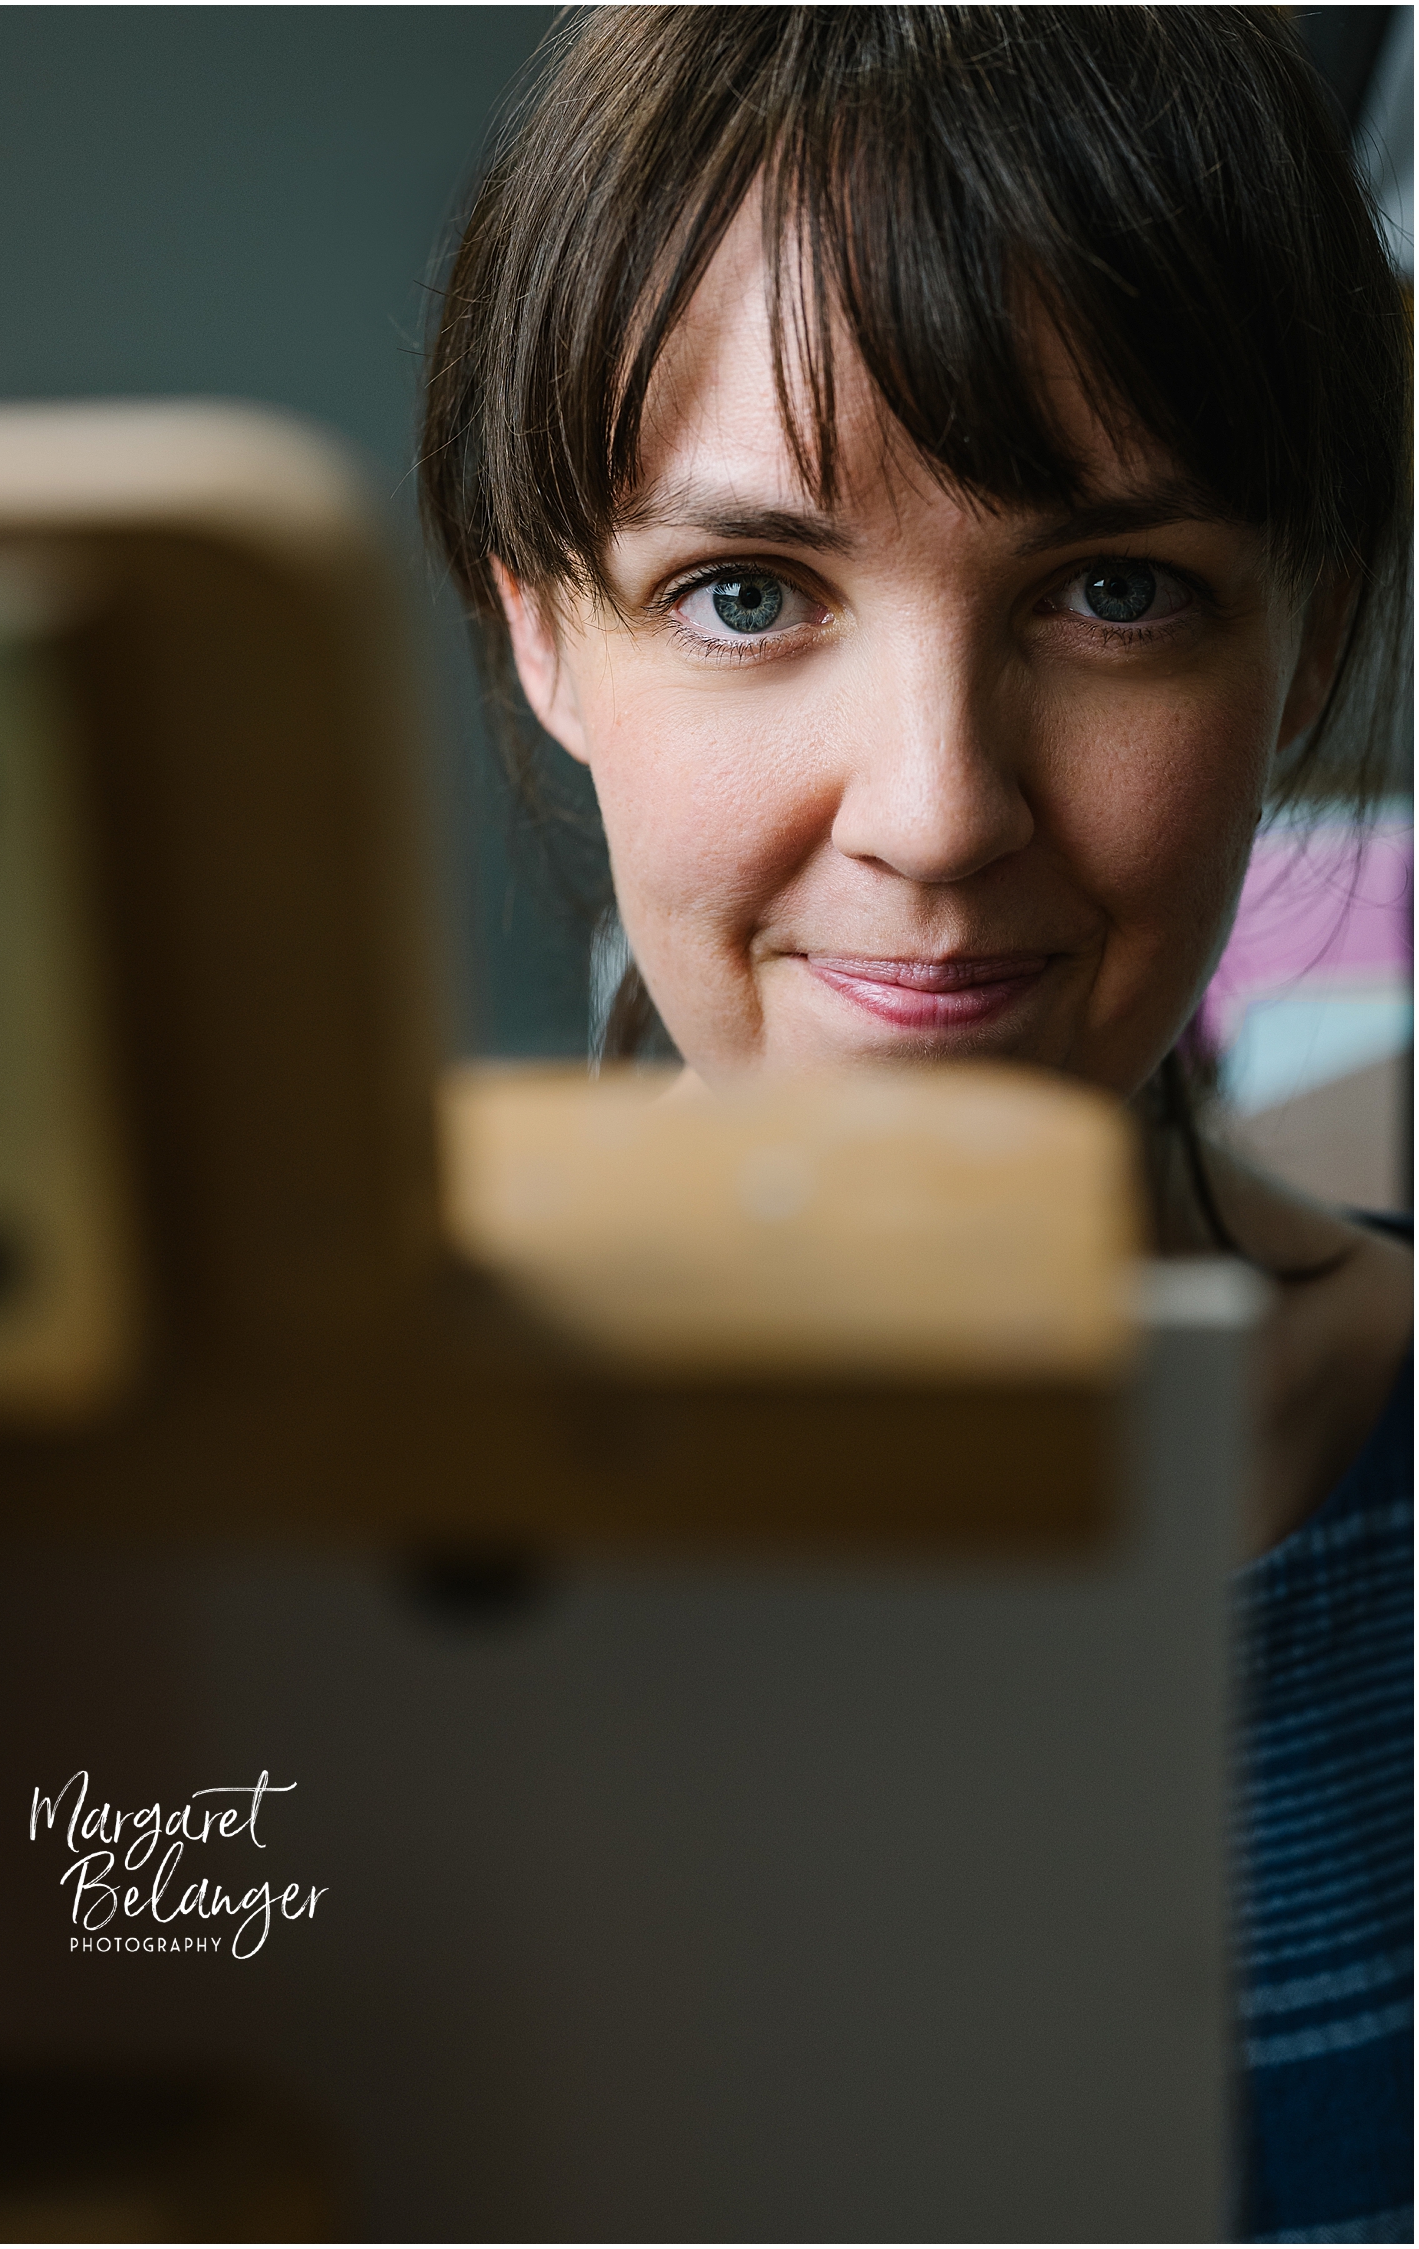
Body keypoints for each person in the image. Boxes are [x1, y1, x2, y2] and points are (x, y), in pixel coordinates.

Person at [421, 9, 1412, 2237]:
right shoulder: (264, 1550)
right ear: (545, 637)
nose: (942, 815)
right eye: (747, 594)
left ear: (1309, 625)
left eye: (1114, 589)